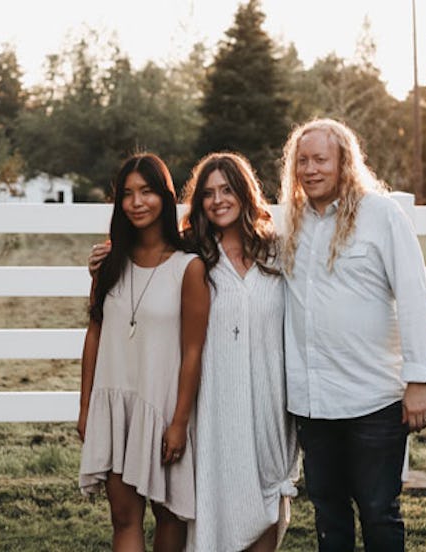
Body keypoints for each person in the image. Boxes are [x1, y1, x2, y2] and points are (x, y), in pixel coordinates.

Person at [89, 152, 298, 552]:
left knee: (269, 495)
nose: (218, 200)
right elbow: (147, 256)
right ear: (197, 201)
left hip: (269, 400)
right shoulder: (196, 255)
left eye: (227, 189)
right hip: (213, 404)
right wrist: (104, 257)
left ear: (245, 192)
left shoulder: (278, 253)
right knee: (209, 504)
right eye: (208, 193)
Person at [279, 119, 426, 552]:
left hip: (374, 400)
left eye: (320, 160)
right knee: (328, 512)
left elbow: (414, 297)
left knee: (377, 511)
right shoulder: (292, 224)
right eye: (303, 161)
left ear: (344, 162)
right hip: (313, 402)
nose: (310, 170)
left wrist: (418, 379)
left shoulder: (381, 215)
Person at [78, 153, 210, 552]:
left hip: (163, 407)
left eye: (147, 192)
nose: (137, 202)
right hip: (117, 404)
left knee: (169, 515)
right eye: (128, 194)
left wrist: (178, 422)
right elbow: (95, 334)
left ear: (166, 198)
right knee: (123, 518)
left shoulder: (189, 267)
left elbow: (193, 352)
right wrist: (85, 407)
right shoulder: (109, 262)